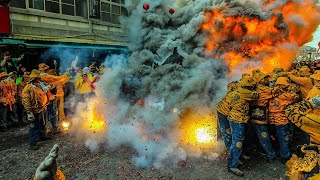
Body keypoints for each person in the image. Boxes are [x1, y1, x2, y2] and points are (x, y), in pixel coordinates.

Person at [227, 76, 259, 176]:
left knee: (237, 141)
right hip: (237, 120)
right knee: (237, 142)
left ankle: (237, 158)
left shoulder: (237, 90)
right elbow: (257, 95)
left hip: (235, 118)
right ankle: (233, 166)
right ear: (247, 86)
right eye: (251, 86)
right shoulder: (245, 92)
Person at [268, 77, 299, 163]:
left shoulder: (270, 93)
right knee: (284, 139)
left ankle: (276, 153)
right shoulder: (286, 96)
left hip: (270, 120)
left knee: (274, 138)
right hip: (281, 121)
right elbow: (296, 96)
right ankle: (285, 156)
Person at [251, 70, 279, 161]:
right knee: (264, 136)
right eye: (265, 78)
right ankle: (271, 155)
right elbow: (277, 92)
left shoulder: (256, 87)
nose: (267, 79)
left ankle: (262, 151)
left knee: (260, 135)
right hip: (260, 116)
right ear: (261, 80)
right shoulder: (264, 89)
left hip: (257, 114)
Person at [22, 70, 51, 150]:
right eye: (38, 78)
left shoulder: (38, 86)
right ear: (34, 79)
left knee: (42, 124)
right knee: (33, 127)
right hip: (34, 111)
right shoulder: (27, 89)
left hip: (40, 109)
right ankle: (32, 143)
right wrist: (29, 113)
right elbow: (26, 101)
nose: (39, 80)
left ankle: (42, 136)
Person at [217, 81, 238, 150]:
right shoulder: (234, 95)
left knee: (228, 130)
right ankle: (229, 149)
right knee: (226, 130)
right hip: (223, 113)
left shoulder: (234, 92)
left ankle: (229, 146)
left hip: (225, 111)